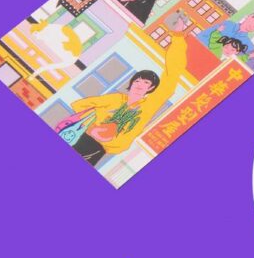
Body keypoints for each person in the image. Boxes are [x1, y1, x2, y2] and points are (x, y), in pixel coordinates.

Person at [54, 24, 193, 166]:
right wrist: (95, 121)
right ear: (131, 83)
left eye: (146, 83)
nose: (140, 84)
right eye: (137, 81)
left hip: (100, 151)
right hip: (82, 139)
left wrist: (178, 38)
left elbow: (171, 76)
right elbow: (79, 105)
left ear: (151, 88)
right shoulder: (116, 99)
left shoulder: (148, 106)